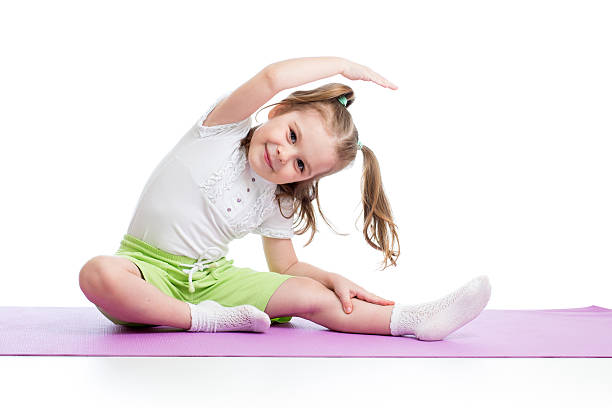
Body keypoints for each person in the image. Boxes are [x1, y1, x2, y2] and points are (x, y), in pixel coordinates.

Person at [78, 56, 491, 341]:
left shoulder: (279, 198)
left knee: (311, 297)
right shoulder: (219, 131)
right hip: (146, 273)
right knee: (99, 274)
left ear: (307, 178)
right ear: (279, 111)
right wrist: (342, 66)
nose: (283, 155)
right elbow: (272, 76)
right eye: (292, 136)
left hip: (213, 280)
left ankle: (411, 320)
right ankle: (202, 321)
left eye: (300, 165)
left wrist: (331, 281)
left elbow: (285, 265)